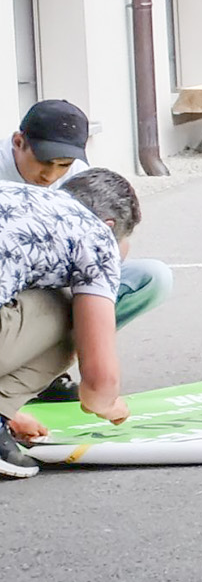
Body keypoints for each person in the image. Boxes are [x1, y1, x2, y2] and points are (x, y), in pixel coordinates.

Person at [1, 167, 141, 476]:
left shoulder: (19, 196)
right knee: (73, 309)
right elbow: (99, 385)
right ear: (110, 225)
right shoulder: (97, 235)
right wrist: (108, 403)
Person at [12, 99, 170, 328]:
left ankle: (76, 340)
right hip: (14, 283)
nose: (50, 175)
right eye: (44, 162)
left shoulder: (78, 173)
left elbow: (112, 243)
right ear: (18, 142)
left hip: (59, 277)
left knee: (154, 276)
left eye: (63, 165)